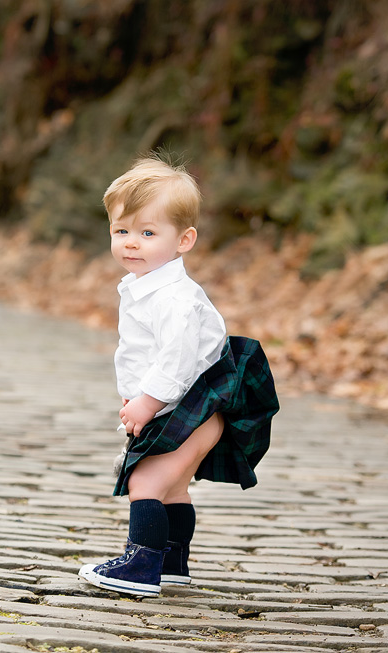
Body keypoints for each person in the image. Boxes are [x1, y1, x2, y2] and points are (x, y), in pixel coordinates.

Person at [78, 153, 280, 597]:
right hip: (189, 403)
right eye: (121, 231)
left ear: (184, 239)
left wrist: (147, 401)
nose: (132, 242)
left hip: (191, 403)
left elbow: (178, 357)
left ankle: (141, 567)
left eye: (148, 233)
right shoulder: (147, 287)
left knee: (144, 480)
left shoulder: (173, 298)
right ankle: (172, 561)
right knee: (171, 487)